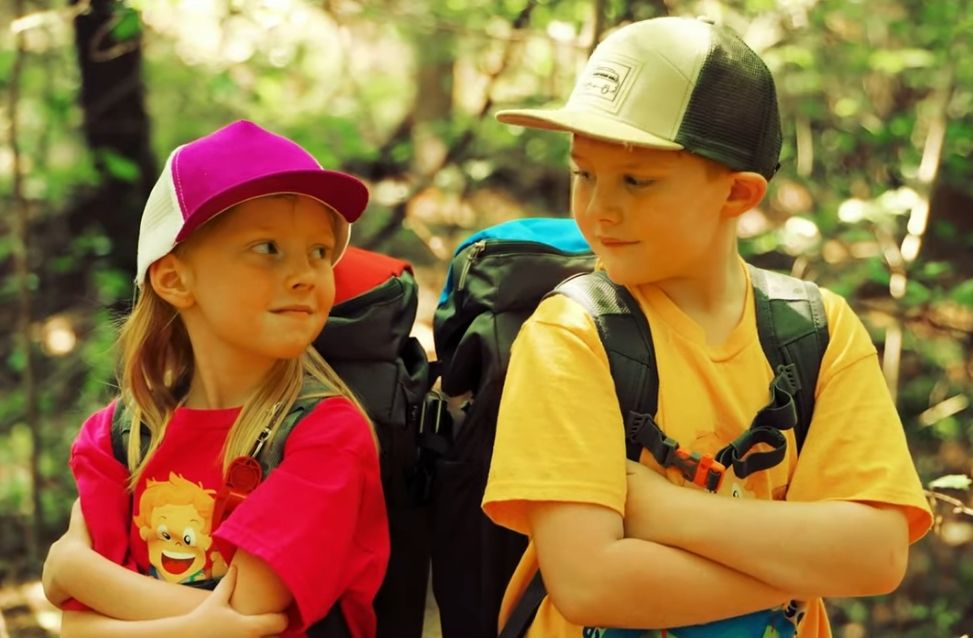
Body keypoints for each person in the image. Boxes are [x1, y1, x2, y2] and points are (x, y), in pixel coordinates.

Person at [482, 16, 933, 638]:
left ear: (738, 194)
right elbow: (590, 585)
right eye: (584, 173)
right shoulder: (573, 334)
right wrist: (810, 561)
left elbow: (878, 554)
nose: (598, 209)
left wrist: (660, 508)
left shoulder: (817, 330)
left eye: (636, 181)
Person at [42, 120, 389, 638]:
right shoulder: (119, 437)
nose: (305, 275)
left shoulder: (326, 435)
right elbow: (75, 625)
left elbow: (252, 616)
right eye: (267, 248)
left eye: (319, 251)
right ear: (175, 279)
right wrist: (202, 623)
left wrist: (75, 570)